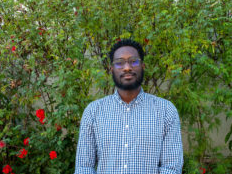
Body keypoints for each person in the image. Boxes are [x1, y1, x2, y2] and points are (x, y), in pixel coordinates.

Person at [74, 39, 183, 174]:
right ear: (111, 69)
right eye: (119, 63)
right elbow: (84, 167)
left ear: (142, 66)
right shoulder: (93, 111)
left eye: (133, 61)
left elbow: (171, 168)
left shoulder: (165, 111)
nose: (127, 67)